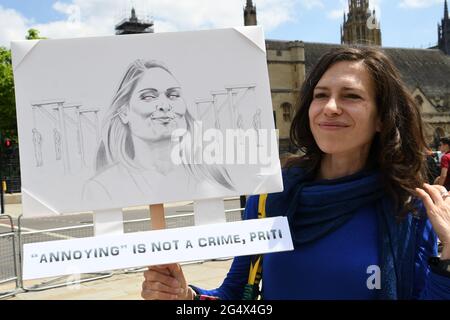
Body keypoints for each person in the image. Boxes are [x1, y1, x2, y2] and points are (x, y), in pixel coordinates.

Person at [141, 47, 450, 300]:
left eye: (351, 96)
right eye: (320, 95)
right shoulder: (268, 198)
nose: (330, 107)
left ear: (382, 117)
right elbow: (235, 296)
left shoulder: (410, 207)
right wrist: (185, 298)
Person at [83, 59, 234, 202]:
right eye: (149, 97)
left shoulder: (211, 173)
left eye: (173, 95)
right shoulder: (102, 189)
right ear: (124, 112)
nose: (165, 105)